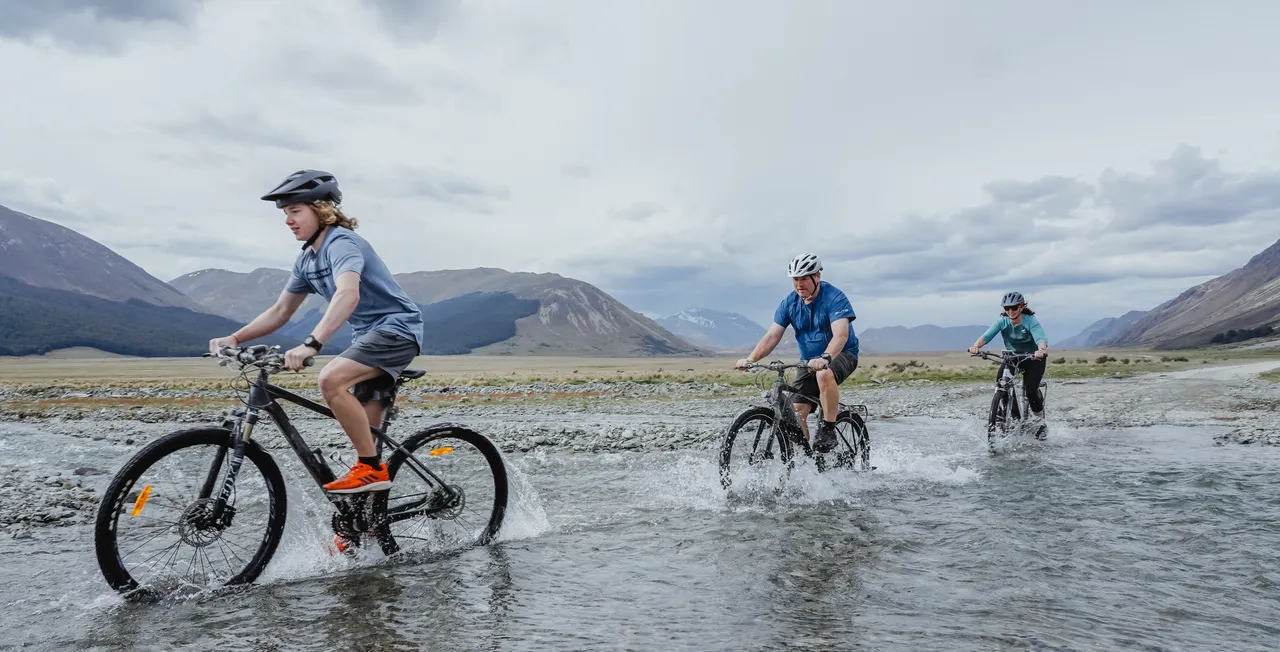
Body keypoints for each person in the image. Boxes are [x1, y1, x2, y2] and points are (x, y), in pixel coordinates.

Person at [209, 169, 425, 493]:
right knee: (366, 440)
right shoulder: (306, 260)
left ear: (321, 209)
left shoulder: (342, 243)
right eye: (286, 213)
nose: (288, 220)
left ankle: (371, 470)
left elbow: (347, 293)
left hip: (396, 330)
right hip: (366, 337)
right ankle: (361, 522)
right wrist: (236, 338)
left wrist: (312, 343)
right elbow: (281, 311)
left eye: (295, 211)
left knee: (330, 380)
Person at [736, 253, 860, 453]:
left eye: (804, 278)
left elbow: (841, 335)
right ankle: (807, 460)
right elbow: (772, 336)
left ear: (817, 277)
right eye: (795, 279)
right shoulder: (789, 303)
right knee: (797, 414)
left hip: (841, 355)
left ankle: (828, 428)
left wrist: (825, 358)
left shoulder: (834, 297)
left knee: (824, 373)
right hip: (808, 362)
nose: (799, 284)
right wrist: (751, 359)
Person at [968, 291, 1049, 437]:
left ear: (1021, 306)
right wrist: (976, 346)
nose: (1010, 311)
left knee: (1031, 391)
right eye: (1007, 308)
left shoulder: (1030, 320)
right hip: (1012, 357)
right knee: (1001, 383)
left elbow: (1040, 337)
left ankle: (1040, 421)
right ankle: (1015, 417)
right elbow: (987, 336)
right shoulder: (1002, 321)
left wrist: (1041, 349)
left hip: (1033, 358)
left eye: (1013, 307)